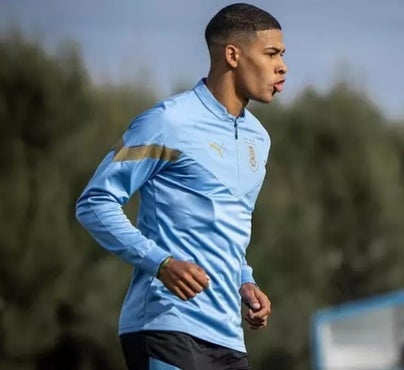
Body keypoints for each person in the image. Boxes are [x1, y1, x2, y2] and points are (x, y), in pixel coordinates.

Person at [75, 3, 287, 369]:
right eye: (270, 54)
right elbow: (95, 202)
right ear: (233, 55)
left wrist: (245, 281)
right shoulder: (167, 121)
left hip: (228, 337)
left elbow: (224, 226)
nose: (282, 66)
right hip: (165, 325)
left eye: (282, 55)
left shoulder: (259, 139)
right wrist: (161, 262)